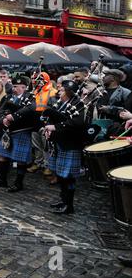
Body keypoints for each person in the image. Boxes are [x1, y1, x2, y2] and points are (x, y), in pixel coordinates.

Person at [43, 80, 86, 214]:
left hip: (70, 144)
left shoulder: (78, 105)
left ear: (68, 92)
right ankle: (63, 200)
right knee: (61, 175)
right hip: (59, 142)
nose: (58, 92)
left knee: (68, 176)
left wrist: (55, 127)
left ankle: (69, 205)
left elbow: (77, 123)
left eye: (61, 90)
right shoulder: (62, 103)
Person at [0, 76, 36, 192]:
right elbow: (1, 111)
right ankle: (2, 180)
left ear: (24, 87)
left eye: (17, 87)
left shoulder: (30, 98)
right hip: (8, 132)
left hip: (22, 131)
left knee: (20, 159)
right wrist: (3, 119)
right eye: (14, 86)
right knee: (2, 155)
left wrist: (13, 116)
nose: (14, 89)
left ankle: (18, 183)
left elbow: (31, 109)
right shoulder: (10, 97)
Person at [27, 72, 58, 176]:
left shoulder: (53, 92)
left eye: (40, 80)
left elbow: (53, 109)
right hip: (35, 121)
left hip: (46, 121)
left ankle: (48, 165)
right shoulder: (35, 91)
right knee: (36, 144)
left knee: (46, 145)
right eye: (37, 80)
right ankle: (38, 163)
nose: (38, 82)